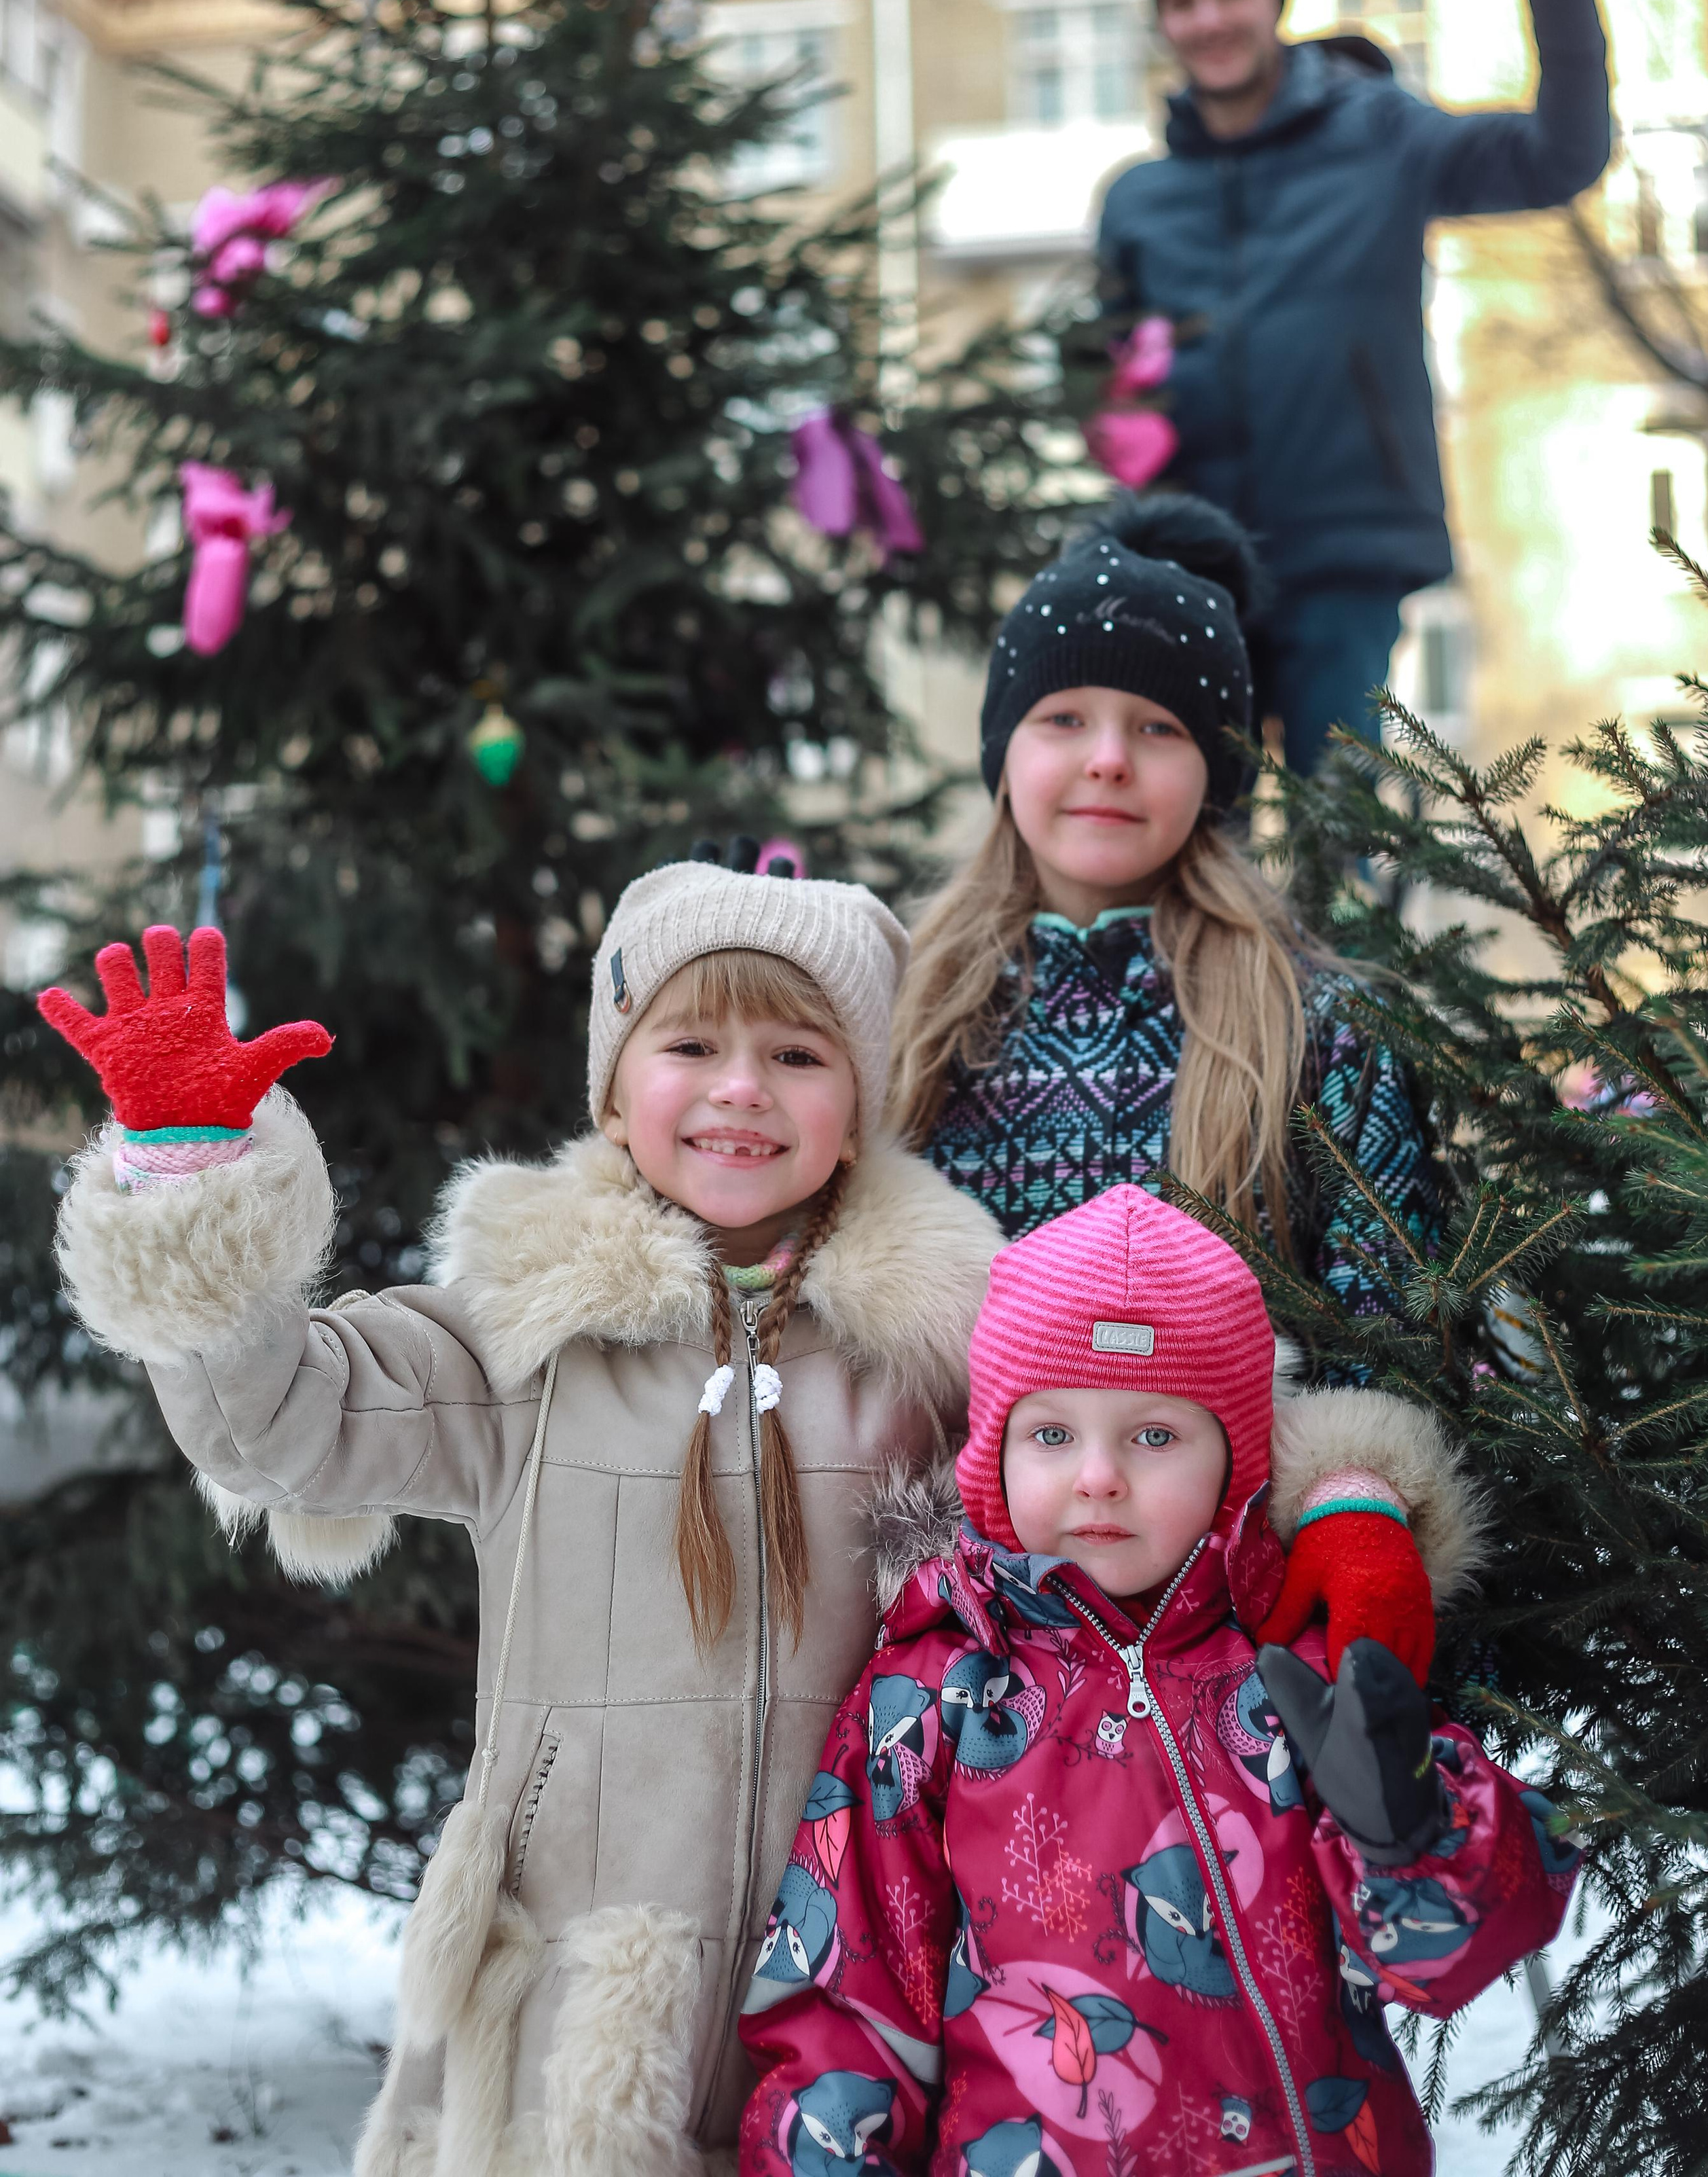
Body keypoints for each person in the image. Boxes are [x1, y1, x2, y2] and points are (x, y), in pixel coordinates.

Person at [39, 862, 1006, 2177]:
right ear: (615, 1092)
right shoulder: (525, 1337)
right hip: (570, 2002)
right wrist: (194, 1192)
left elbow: (1123, 1478)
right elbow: (284, 1425)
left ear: (861, 1101)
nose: (738, 1088)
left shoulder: (936, 1353)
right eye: (689, 1044)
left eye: (794, 1052)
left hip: (851, 2001)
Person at [738, 1183, 1578, 2177]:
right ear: (992, 1460)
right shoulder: (929, 1699)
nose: (1099, 1476)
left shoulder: (1294, 1675)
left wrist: (1410, 1833)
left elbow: (1474, 1945)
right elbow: (846, 2008)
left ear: (1235, 1464)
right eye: (1052, 1435)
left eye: (1154, 1436)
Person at [1097, 0, 1674, 772]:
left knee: (1338, 845)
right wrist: (1110, 410)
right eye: (1183, 1)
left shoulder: (1380, 134)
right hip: (1188, 560)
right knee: (1197, 842)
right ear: (1164, 23)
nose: (1208, 18)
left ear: (1272, 1)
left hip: (1347, 544)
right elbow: (1105, 364)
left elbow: (1557, 159)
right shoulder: (1138, 199)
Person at [894, 489, 1438, 1306]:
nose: (1109, 759)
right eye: (1065, 718)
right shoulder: (903, 1016)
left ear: (1217, 775)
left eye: (1158, 728)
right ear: (1004, 754)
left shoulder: (1317, 1033)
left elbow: (1389, 1356)